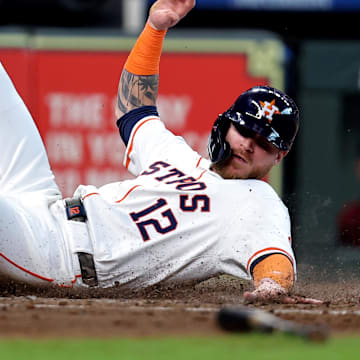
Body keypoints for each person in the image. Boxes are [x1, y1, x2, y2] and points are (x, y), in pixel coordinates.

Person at [0, 0, 320, 304]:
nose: (250, 144)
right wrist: (154, 29)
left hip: (57, 256)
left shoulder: (258, 201)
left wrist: (272, 286)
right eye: (245, 132)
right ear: (225, 125)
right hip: (43, 205)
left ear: (279, 157)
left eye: (265, 143)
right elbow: (134, 110)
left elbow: (274, 258)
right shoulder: (177, 156)